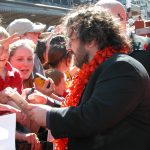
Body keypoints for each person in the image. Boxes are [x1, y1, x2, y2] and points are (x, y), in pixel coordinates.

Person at [8, 5, 150, 150]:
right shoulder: (106, 67)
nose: (68, 47)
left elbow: (92, 117)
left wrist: (47, 115)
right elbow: (85, 109)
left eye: (72, 39)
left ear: (91, 40)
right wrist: (48, 102)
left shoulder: (121, 68)